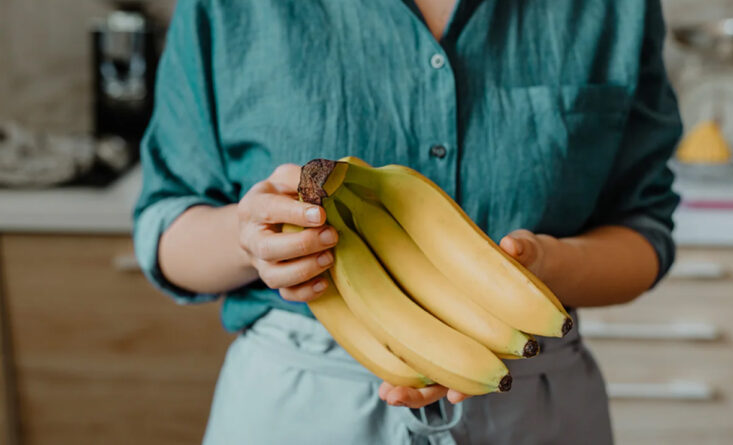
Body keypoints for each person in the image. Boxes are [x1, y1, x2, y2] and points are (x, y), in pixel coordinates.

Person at [134, 0, 682, 443]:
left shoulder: (615, 9)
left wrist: (546, 268)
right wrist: (246, 239)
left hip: (531, 391)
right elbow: (166, 225)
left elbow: (644, 226)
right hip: (301, 405)